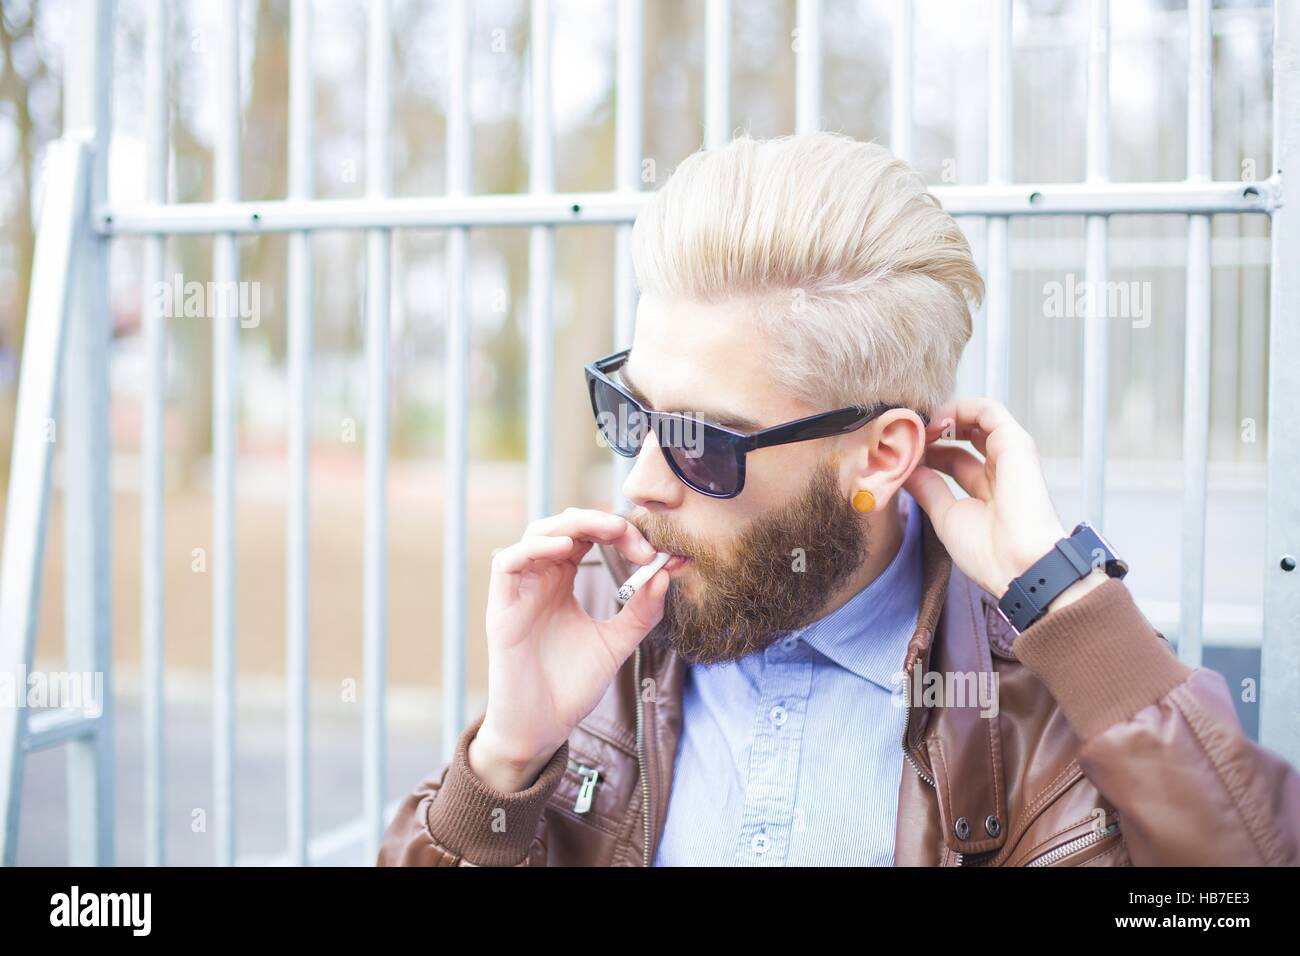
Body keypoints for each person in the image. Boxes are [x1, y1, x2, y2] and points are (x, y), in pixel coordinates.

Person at [378, 131, 1300, 866]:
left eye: (703, 442)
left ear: (882, 456)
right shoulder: (601, 631)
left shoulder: (1039, 698)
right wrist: (503, 763)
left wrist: (1075, 613)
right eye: (632, 411)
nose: (639, 482)